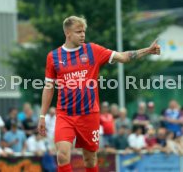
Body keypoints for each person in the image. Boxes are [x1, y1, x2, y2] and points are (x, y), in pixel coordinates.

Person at [37, 15, 161, 172]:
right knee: (62, 156)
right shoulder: (53, 57)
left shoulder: (93, 50)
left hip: (89, 115)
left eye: (84, 31)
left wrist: (148, 50)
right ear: (68, 33)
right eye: (78, 31)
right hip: (65, 115)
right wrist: (42, 115)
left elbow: (123, 57)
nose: (83, 35)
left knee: (90, 159)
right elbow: (48, 87)